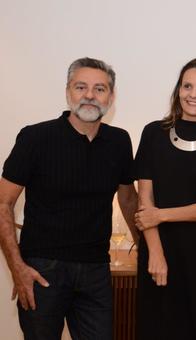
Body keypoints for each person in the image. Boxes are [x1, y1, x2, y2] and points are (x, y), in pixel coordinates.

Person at [0, 57, 138, 340]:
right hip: (42, 270)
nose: (90, 95)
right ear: (68, 92)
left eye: (100, 89)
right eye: (81, 87)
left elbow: (127, 200)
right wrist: (17, 268)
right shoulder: (35, 138)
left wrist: (147, 250)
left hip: (96, 271)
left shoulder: (119, 141)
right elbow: (3, 203)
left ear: (111, 97)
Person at [133, 58, 196, 340]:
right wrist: (155, 253)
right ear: (178, 90)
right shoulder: (153, 133)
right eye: (187, 86)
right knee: (158, 328)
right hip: (159, 252)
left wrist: (162, 215)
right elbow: (145, 200)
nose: (193, 94)